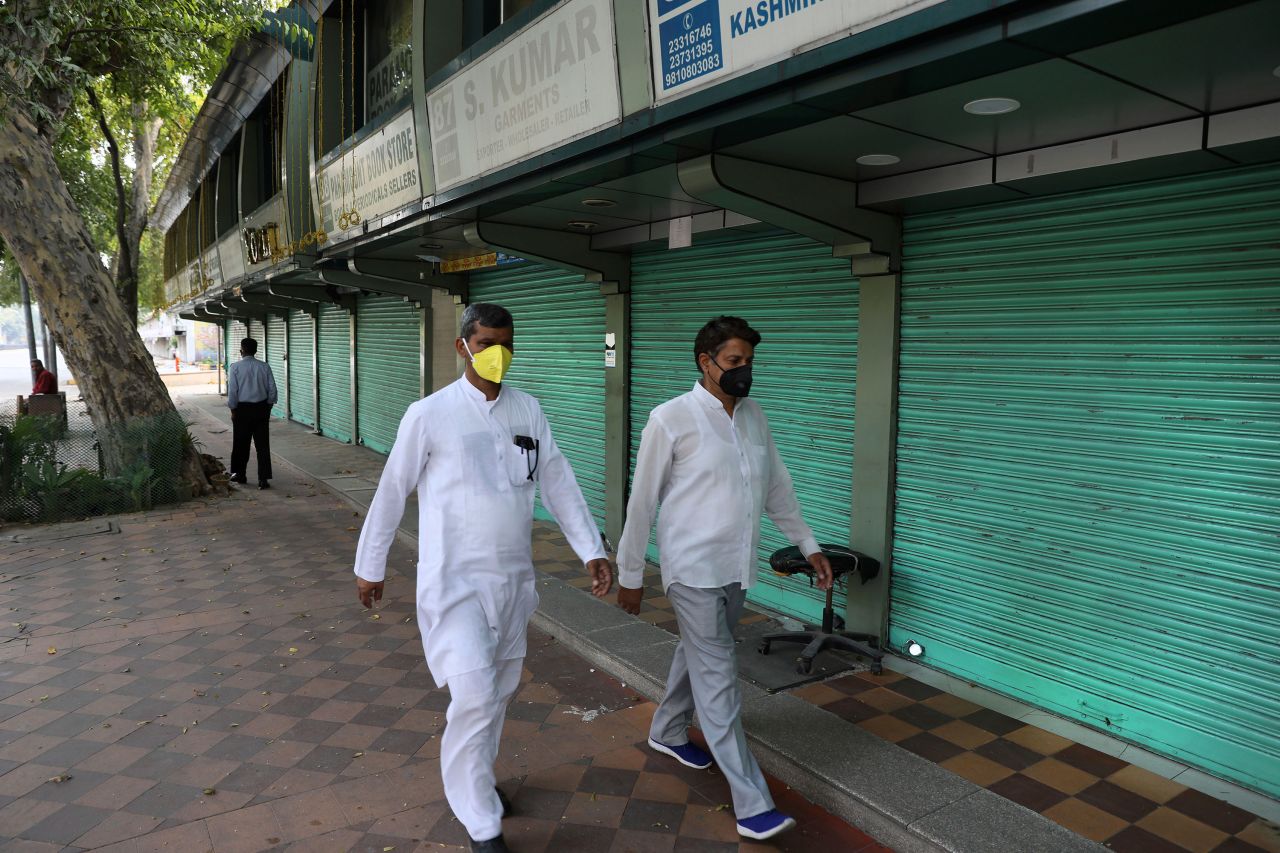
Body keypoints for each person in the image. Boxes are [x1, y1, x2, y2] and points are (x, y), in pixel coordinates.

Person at [353, 303, 613, 853]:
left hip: (513, 583)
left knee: (497, 692)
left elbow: (559, 481)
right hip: (453, 583)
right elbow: (392, 490)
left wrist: (591, 549)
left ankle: (479, 780)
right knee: (473, 693)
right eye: (487, 343)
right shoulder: (429, 413)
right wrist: (369, 564)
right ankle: (480, 819)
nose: (498, 354)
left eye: (505, 343)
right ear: (463, 347)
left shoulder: (527, 410)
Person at [615, 315, 833, 842]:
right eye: (734, 362)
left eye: (749, 362)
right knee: (718, 677)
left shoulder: (754, 417)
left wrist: (809, 545)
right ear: (706, 362)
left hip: (737, 566)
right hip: (690, 567)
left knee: (698, 651)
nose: (744, 372)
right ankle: (752, 802)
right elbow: (642, 501)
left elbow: (777, 488)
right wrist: (629, 572)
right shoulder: (670, 419)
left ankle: (667, 729)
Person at [226, 337, 277, 489]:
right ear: (255, 351)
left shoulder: (235, 367)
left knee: (241, 443)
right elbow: (272, 389)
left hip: (242, 410)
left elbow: (233, 392)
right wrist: (268, 406)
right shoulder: (264, 366)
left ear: (242, 350)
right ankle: (263, 479)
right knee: (262, 445)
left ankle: (240, 474)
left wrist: (233, 409)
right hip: (261, 409)